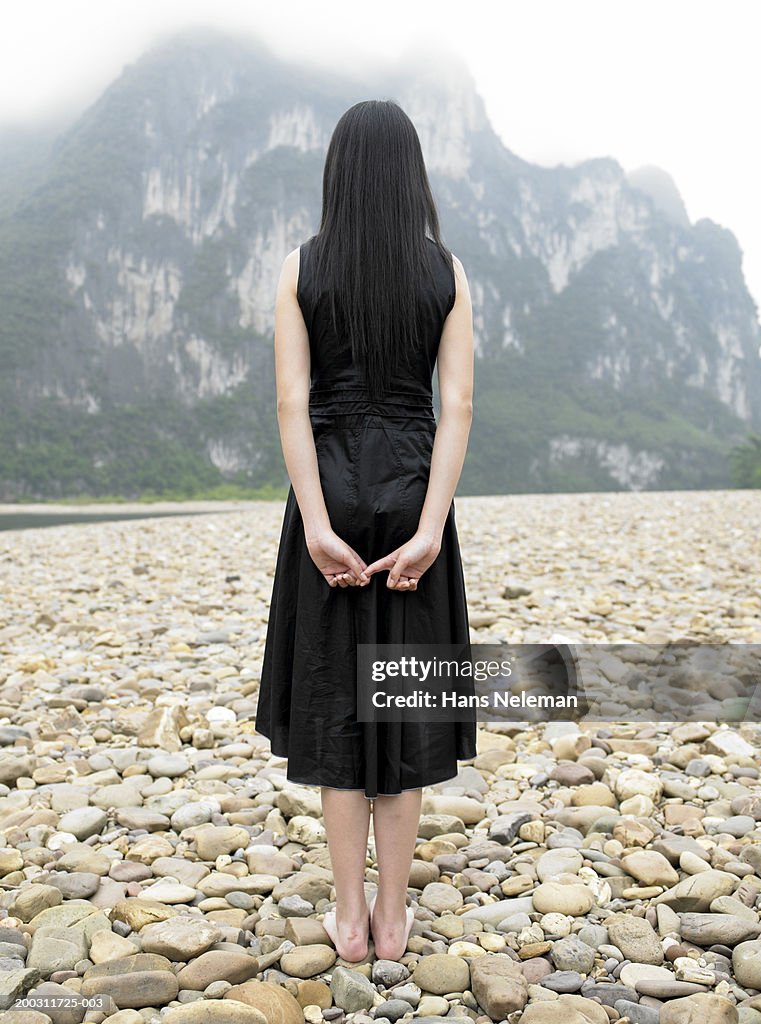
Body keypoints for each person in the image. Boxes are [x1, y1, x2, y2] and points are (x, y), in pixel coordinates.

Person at [254, 98, 477, 963]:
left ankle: (345, 918)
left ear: (337, 173)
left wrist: (314, 522)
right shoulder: (447, 272)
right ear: (411, 173)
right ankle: (394, 919)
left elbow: (290, 402)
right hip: (414, 487)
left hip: (334, 487)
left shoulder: (299, 268)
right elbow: (455, 406)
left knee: (337, 701)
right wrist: (428, 527)